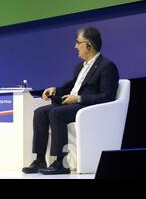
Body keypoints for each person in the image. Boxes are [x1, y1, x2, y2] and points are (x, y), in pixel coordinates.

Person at [22, 26, 119, 175]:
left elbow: (108, 96)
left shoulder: (107, 67)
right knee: (40, 112)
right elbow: (72, 87)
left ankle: (61, 162)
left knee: (56, 113)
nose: (75, 46)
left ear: (88, 45)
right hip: (75, 104)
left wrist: (79, 98)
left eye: (77, 42)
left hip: (87, 107)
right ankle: (40, 159)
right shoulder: (80, 67)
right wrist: (55, 90)